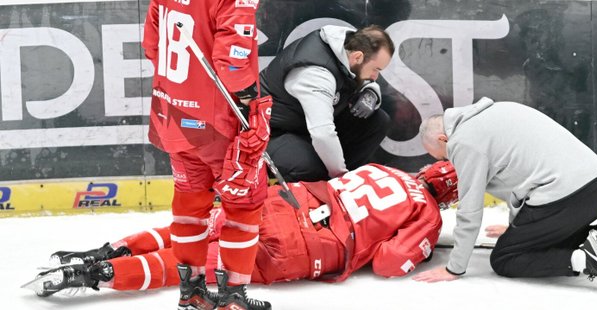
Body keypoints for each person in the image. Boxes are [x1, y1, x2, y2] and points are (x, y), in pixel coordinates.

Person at [28, 162, 457, 297]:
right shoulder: (430, 214)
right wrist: (426, 248)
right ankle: (97, 276)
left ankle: (103, 251)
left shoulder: (384, 166)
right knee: (193, 264)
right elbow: (388, 263)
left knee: (190, 234)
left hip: (280, 202)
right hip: (302, 244)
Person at [413, 97, 597, 294]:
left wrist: (454, 269)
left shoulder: (464, 142)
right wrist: (519, 229)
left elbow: (470, 212)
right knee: (536, 241)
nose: (448, 161)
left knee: (505, 258)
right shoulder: (497, 110)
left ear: (445, 139)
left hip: (567, 197)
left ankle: (587, 260)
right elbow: (521, 176)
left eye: (444, 156)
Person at [142, 0, 271, 309]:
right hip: (216, 120)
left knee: (189, 202)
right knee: (245, 202)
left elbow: (151, 45)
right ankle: (233, 297)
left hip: (172, 112)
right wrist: (248, 99)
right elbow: (232, 61)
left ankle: (192, 291)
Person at [261, 25, 395, 182]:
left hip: (304, 124)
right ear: (357, 57)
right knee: (310, 167)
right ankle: (332, 187)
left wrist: (370, 91)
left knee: (378, 121)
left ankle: (344, 183)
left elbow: (352, 75)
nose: (375, 76)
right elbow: (322, 133)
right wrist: (341, 177)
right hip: (274, 133)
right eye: (375, 69)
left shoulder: (348, 45)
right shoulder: (315, 74)